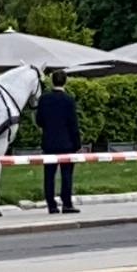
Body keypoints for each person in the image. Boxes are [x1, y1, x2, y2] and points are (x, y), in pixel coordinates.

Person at [36, 70, 80, 214]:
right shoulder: (69, 100)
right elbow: (73, 124)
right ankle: (66, 203)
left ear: (51, 81)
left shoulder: (44, 99)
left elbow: (39, 121)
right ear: (65, 81)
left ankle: (51, 204)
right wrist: (77, 143)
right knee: (67, 174)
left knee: (49, 175)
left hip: (49, 142)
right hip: (67, 143)